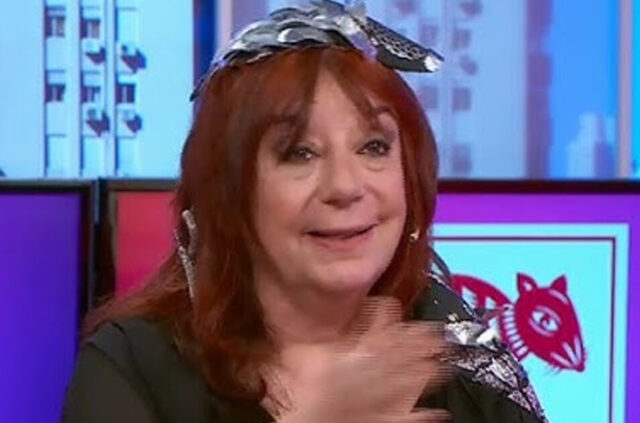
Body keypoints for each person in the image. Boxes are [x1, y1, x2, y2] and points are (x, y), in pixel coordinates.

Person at [62, 1, 547, 422]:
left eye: (374, 147)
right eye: (299, 153)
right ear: (227, 191)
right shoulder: (131, 368)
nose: (345, 187)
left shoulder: (462, 357)